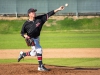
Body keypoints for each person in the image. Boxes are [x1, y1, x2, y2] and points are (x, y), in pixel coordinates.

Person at [18, 6, 64, 71]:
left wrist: (58, 9)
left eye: (34, 12)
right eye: (33, 12)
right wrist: (25, 36)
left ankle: (23, 54)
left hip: (37, 38)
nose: (34, 13)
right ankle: (40, 66)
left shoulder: (39, 19)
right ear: (29, 14)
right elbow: (22, 33)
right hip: (31, 39)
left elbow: (49, 14)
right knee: (39, 49)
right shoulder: (26, 24)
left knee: (34, 53)